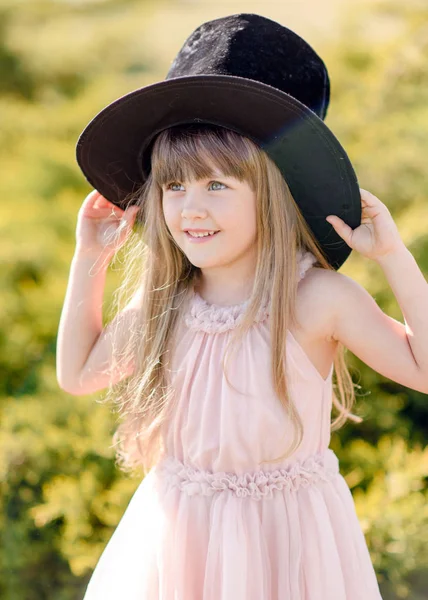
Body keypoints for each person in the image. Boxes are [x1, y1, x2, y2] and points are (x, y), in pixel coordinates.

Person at [56, 13, 428, 600]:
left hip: (289, 546)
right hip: (178, 543)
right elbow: (77, 374)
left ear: (274, 193)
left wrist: (394, 257)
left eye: (217, 186)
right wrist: (89, 259)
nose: (190, 210)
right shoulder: (170, 305)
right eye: (174, 186)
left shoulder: (315, 299)